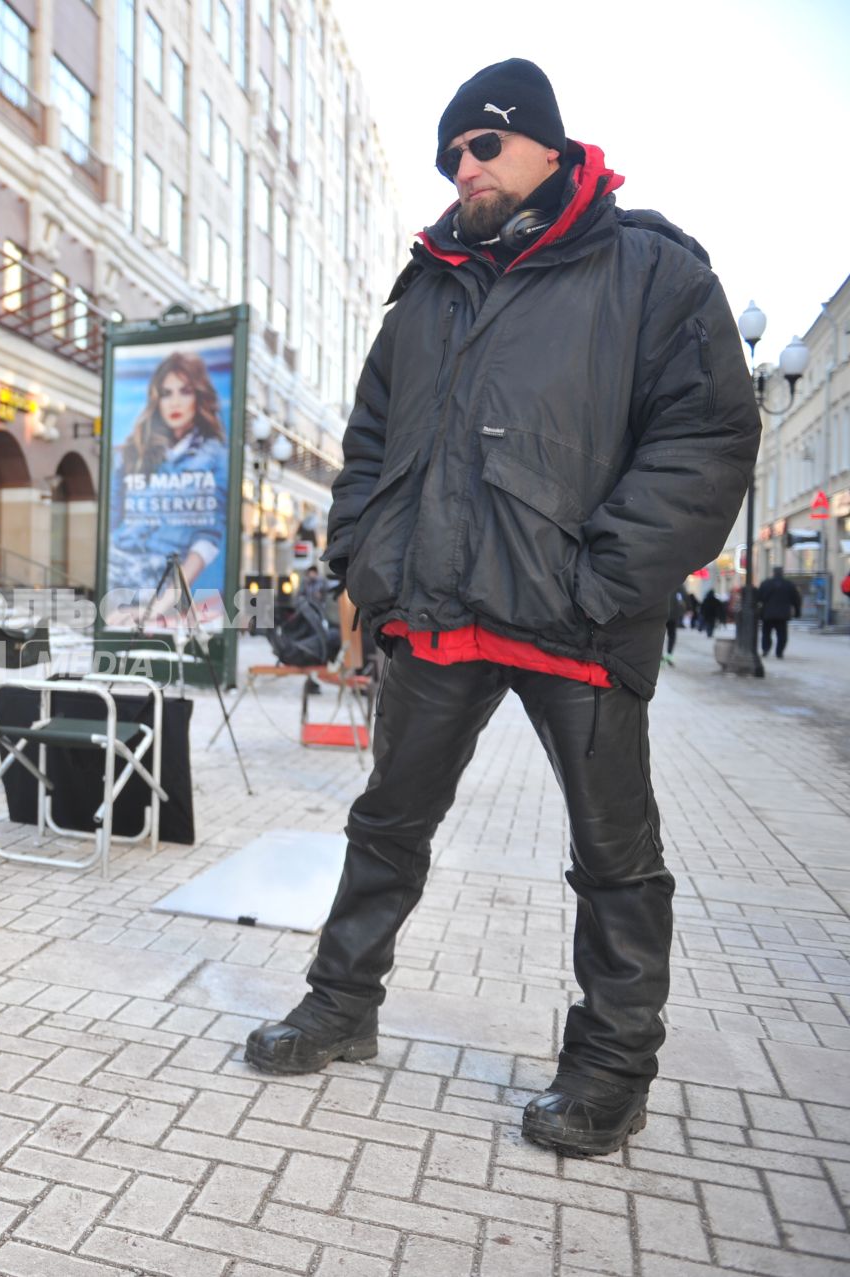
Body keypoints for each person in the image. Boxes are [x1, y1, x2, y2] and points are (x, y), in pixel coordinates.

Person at [242, 60, 758, 1159]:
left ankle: (611, 1067)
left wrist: (605, 582)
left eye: (482, 146)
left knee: (614, 853)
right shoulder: (430, 283)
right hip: (434, 610)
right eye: (450, 156)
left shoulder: (650, 271)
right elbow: (370, 439)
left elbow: (707, 439)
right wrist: (359, 561)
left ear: (544, 144)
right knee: (386, 825)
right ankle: (341, 1004)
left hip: (577, 624)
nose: (463, 169)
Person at [106, 351, 228, 623]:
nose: (174, 402)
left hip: (160, 583)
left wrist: (162, 605)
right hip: (118, 573)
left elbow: (206, 540)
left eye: (184, 391)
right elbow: (112, 520)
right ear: (156, 399)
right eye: (166, 393)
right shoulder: (136, 449)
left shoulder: (215, 456)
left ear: (198, 396)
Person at [757, 567, 801, 659]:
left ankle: (766, 649)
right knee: (782, 634)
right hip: (782, 614)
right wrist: (797, 612)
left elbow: (759, 598)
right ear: (782, 573)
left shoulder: (766, 583)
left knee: (766, 633)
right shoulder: (788, 584)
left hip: (767, 613)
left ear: (773, 573)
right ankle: (779, 652)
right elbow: (796, 599)